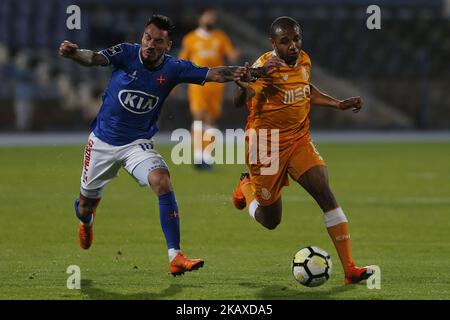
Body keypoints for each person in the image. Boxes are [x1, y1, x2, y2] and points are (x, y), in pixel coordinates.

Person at [59, 14, 249, 276]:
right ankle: (86, 220)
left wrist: (240, 72)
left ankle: (175, 256)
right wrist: (73, 53)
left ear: (167, 45)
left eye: (158, 41)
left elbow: (213, 73)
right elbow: (94, 58)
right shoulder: (126, 53)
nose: (150, 44)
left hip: (137, 144)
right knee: (85, 206)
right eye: (147, 38)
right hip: (102, 142)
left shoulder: (173, 68)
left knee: (162, 180)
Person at [232, 16, 374, 284]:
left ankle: (350, 269)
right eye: (285, 41)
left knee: (324, 192)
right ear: (272, 43)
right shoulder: (266, 67)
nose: (293, 46)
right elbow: (241, 100)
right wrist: (242, 85)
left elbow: (304, 88)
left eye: (296, 39)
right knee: (270, 219)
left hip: (298, 139)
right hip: (265, 146)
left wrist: (338, 104)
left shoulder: (304, 60)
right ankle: (246, 187)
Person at [179, 8, 239, 169]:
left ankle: (207, 157)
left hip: (216, 85)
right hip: (198, 83)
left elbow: (230, 53)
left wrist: (234, 55)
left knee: (211, 120)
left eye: (213, 18)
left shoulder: (220, 37)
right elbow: (182, 60)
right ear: (201, 18)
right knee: (199, 116)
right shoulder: (190, 38)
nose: (211, 20)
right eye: (208, 16)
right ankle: (198, 156)